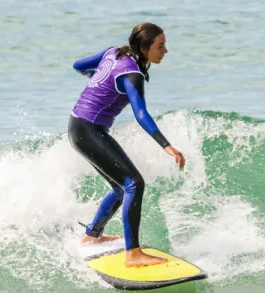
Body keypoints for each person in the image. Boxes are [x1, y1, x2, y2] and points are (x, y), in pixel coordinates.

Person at [69, 22, 185, 268]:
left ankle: (92, 235)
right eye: (160, 46)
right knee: (134, 183)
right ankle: (133, 254)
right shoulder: (132, 74)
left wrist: (99, 82)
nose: (165, 51)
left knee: (121, 188)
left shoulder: (113, 52)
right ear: (144, 48)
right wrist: (166, 145)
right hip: (89, 130)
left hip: (78, 126)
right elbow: (140, 113)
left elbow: (78, 65)